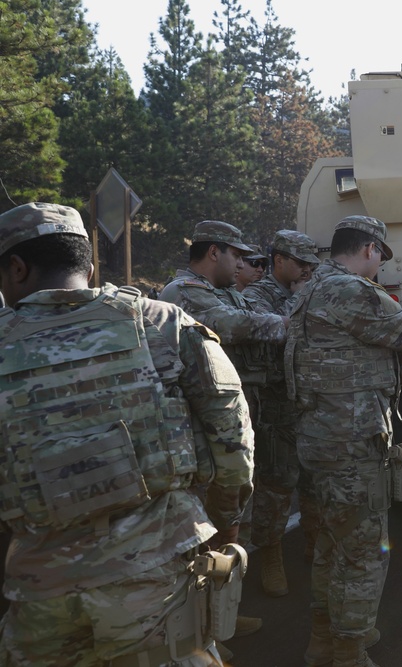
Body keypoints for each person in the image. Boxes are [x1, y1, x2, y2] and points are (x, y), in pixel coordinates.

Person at [0, 202, 254, 665]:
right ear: (90, 266)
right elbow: (232, 438)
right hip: (154, 578)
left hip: (40, 589)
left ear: (16, 268)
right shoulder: (162, 324)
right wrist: (225, 519)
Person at [286, 215, 402, 667]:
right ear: (369, 249)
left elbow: (370, 351)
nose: (380, 266)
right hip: (353, 445)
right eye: (380, 257)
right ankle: (349, 651)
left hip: (319, 440)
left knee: (331, 544)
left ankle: (323, 639)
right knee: (364, 555)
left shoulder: (307, 288)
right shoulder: (351, 291)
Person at [159, 220, 286, 651]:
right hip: (200, 434)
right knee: (201, 534)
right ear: (214, 252)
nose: (242, 265)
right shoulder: (184, 293)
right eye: (236, 255)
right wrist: (288, 324)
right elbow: (232, 325)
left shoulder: (221, 290)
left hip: (226, 429)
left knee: (227, 529)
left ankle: (215, 620)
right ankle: (199, 634)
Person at [242, 230, 322, 597]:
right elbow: (273, 332)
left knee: (316, 482)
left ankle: (313, 541)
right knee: (275, 487)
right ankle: (271, 554)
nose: (307, 270)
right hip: (277, 405)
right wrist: (302, 302)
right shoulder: (257, 295)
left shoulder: (312, 289)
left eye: (311, 264)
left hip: (313, 402)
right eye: (301, 263)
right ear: (279, 260)